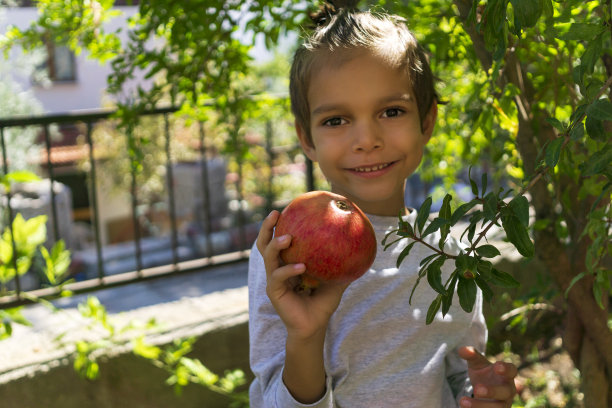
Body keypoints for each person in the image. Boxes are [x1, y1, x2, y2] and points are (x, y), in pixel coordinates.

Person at [248, 1, 518, 407]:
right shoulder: (284, 256)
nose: (367, 139)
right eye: (336, 120)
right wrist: (306, 336)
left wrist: (478, 392)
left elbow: (458, 373)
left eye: (391, 111)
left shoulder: (449, 254)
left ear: (426, 122)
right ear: (307, 139)